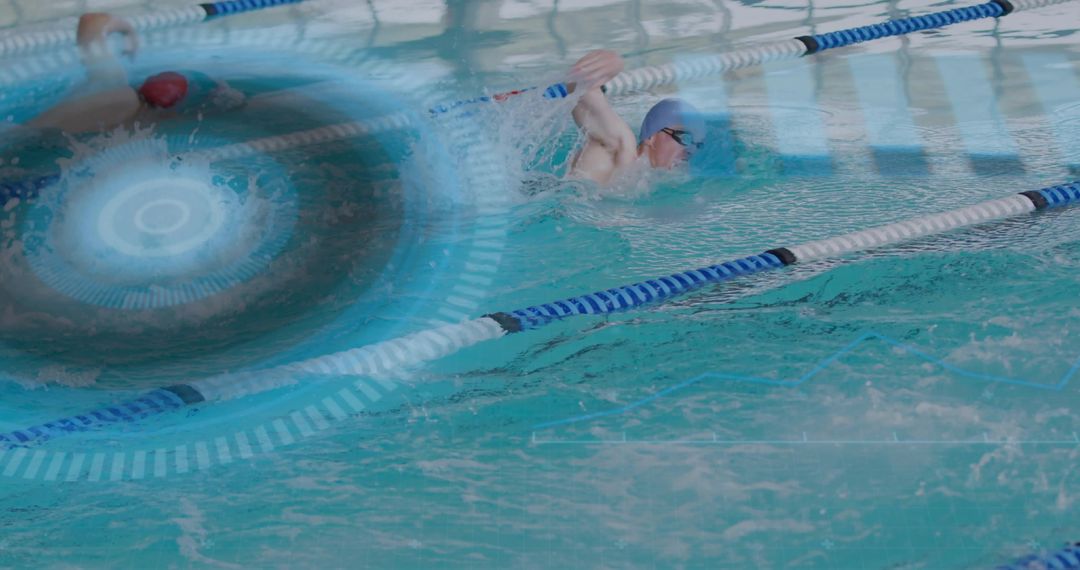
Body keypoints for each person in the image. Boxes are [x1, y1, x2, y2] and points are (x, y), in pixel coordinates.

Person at [26, 13, 244, 134]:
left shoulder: (111, 84)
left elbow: (92, 23)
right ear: (174, 110)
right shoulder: (118, 91)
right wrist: (128, 31)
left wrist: (128, 32)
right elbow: (91, 19)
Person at [566, 50, 706, 186]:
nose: (690, 150)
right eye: (685, 137)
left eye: (697, 144)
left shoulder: (648, 180)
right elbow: (578, 87)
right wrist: (612, 61)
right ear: (652, 137)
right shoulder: (620, 146)